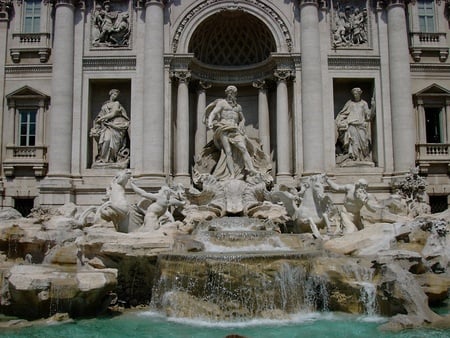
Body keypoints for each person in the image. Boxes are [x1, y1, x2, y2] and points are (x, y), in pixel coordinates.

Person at [205, 85, 258, 178]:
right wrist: (210, 122)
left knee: (243, 148)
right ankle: (232, 174)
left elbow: (242, 119)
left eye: (232, 93)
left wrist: (242, 123)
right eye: (229, 92)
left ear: (235, 94)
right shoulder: (222, 103)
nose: (231, 94)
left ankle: (251, 168)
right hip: (223, 127)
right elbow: (213, 113)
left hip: (235, 129)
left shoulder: (238, 107)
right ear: (227, 93)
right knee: (228, 151)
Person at [90, 89, 130, 165]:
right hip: (105, 127)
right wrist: (98, 121)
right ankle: (103, 159)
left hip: (115, 126)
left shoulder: (116, 103)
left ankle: (111, 159)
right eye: (114, 94)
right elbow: (99, 115)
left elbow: (113, 113)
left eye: (116, 95)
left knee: (112, 143)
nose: (115, 96)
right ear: (110, 94)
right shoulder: (105, 105)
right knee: (106, 140)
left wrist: (102, 118)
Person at [335, 87, 374, 162]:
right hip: (352, 125)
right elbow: (343, 113)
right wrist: (341, 121)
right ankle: (355, 158)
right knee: (353, 142)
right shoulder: (350, 103)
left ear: (360, 94)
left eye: (357, 94)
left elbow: (368, 116)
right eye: (354, 94)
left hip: (361, 126)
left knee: (364, 142)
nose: (355, 95)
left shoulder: (364, 104)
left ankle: (363, 157)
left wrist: (373, 106)